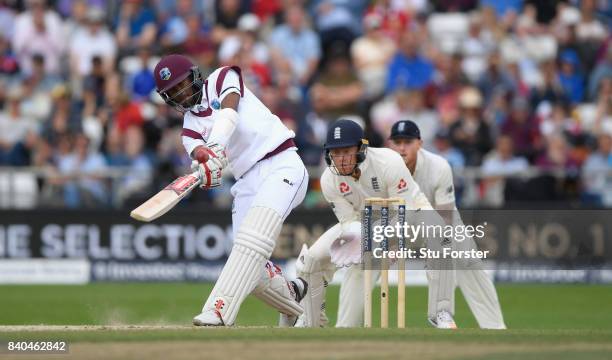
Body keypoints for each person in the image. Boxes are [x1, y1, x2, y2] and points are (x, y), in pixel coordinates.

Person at [153, 54, 309, 326]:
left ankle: (218, 310)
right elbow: (200, 155)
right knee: (249, 260)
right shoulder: (189, 130)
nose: (181, 94)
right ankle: (293, 298)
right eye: (173, 92)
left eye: (182, 85)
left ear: (195, 76)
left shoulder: (222, 77)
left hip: (282, 163)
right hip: (246, 180)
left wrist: (214, 146)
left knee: (252, 240)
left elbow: (230, 111)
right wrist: (207, 166)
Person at [295, 118, 457, 329]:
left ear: (361, 148)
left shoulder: (387, 161)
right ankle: (316, 320)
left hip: (412, 212)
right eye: (335, 153)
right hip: (366, 223)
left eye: (346, 151)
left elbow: (404, 210)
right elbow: (349, 221)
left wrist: (389, 244)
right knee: (312, 260)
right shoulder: (329, 180)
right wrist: (357, 242)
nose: (341, 159)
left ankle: (440, 312)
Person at [384, 120, 506, 329]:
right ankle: (347, 325)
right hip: (400, 223)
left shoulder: (438, 166)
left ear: (420, 143)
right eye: (397, 142)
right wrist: (393, 242)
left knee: (469, 263)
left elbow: (445, 218)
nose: (402, 148)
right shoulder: (383, 168)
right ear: (390, 145)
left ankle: (477, 322)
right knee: (365, 258)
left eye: (408, 142)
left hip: (439, 220)